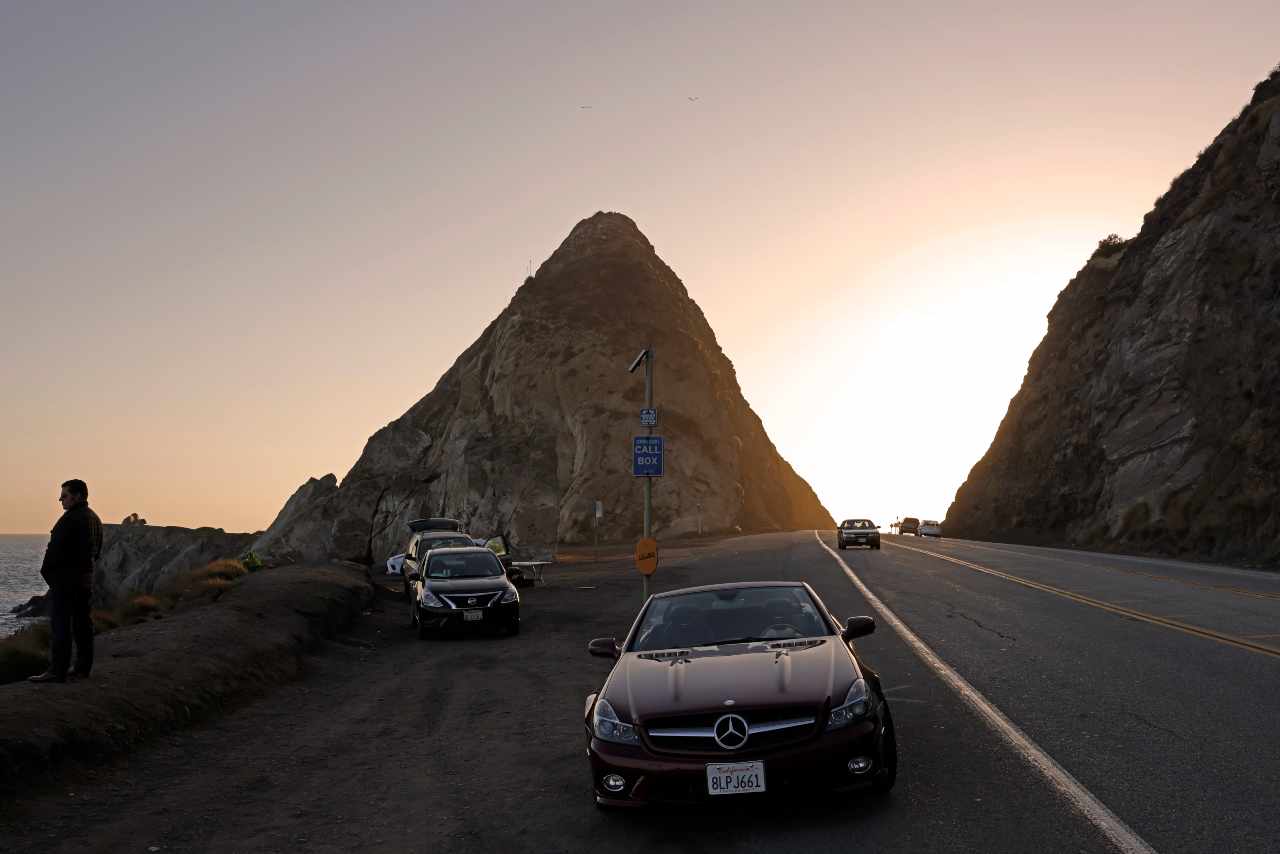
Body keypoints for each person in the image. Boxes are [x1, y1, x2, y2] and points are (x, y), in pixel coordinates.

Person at [29, 479, 103, 683]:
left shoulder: (71, 518)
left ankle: (57, 670)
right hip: (84, 580)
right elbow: (96, 551)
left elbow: (55, 552)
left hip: (66, 581)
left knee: (61, 625)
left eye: (64, 495)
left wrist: (52, 577)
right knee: (82, 624)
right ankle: (82, 668)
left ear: (78, 496)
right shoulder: (93, 518)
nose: (60, 499)